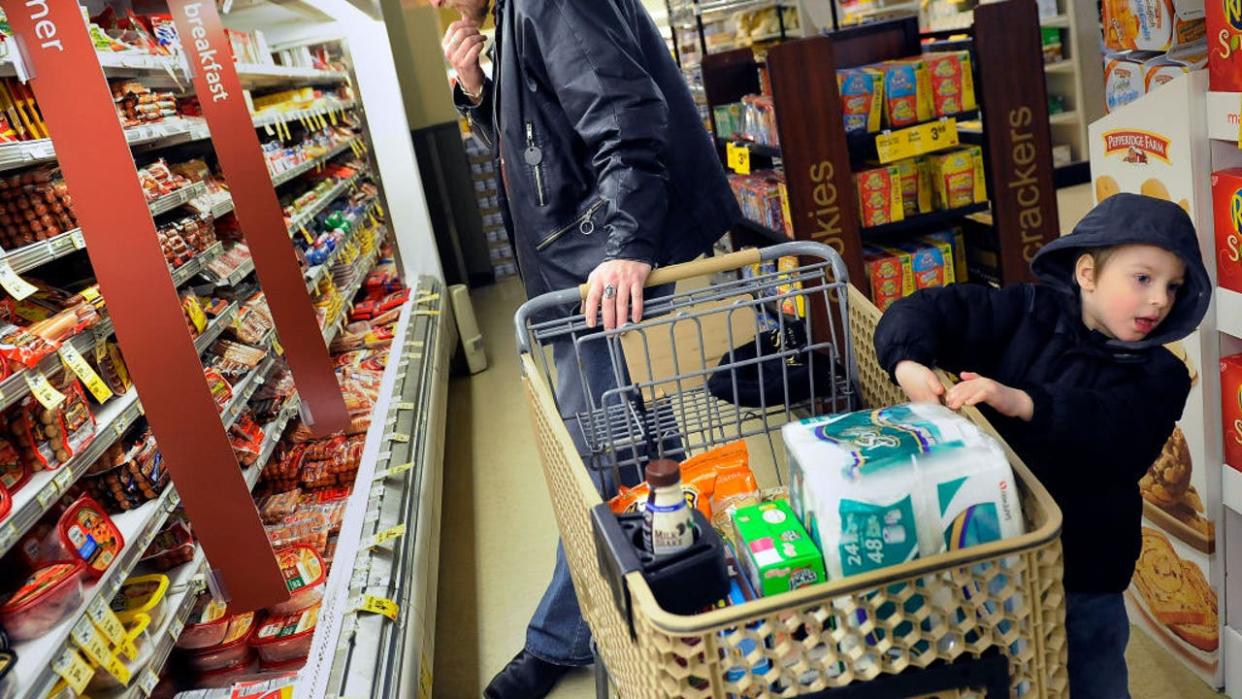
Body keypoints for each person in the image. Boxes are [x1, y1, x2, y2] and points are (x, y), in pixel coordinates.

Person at [432, 0, 741, 695]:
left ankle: (559, 639)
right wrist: (478, 93)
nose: (438, 4)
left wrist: (629, 243)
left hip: (592, 268)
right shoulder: (514, 15)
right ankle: (665, 578)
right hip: (570, 264)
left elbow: (625, 114)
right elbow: (544, 151)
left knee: (595, 461)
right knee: (614, 448)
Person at [874, 193, 1210, 699]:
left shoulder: (1161, 375)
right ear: (1087, 273)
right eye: (1143, 278)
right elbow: (927, 310)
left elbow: (1117, 434)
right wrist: (908, 364)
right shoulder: (1024, 311)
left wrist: (1024, 402)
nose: (1160, 299)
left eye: (1172, 286)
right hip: (994, 553)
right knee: (1003, 673)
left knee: (1092, 672)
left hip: (1085, 570)